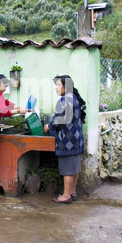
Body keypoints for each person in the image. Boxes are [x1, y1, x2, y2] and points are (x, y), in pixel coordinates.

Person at [44, 75, 86, 204]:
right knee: (74, 167)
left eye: (58, 85)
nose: (56, 88)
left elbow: (59, 120)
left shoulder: (65, 100)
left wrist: (48, 126)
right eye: (55, 85)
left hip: (67, 140)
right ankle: (72, 192)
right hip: (76, 139)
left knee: (67, 169)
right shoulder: (73, 98)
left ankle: (66, 195)